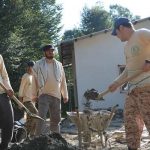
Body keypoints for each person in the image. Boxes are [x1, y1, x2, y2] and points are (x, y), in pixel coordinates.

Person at [109, 17, 150, 150]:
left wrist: (149, 61)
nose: (117, 37)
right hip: (132, 91)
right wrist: (116, 82)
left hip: (146, 88)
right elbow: (128, 69)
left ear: (121, 28)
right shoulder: (126, 47)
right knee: (131, 125)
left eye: (116, 33)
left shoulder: (142, 34)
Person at [33, 44, 68, 135]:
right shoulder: (38, 64)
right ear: (44, 52)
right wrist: (34, 94)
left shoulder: (59, 65)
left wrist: (65, 95)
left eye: (52, 50)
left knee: (56, 119)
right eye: (48, 50)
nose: (50, 52)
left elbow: (63, 80)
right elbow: (34, 80)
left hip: (56, 95)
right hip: (43, 94)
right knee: (41, 117)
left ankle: (56, 138)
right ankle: (39, 138)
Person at [18, 61, 38, 138]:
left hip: (33, 101)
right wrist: (20, 101)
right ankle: (28, 135)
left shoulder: (34, 77)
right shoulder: (25, 76)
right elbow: (21, 88)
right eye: (28, 67)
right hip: (27, 101)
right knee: (35, 114)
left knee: (30, 118)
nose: (29, 68)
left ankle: (29, 136)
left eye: (31, 67)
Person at [0, 55, 14, 150]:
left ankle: (4, 146)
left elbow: (4, 75)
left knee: (9, 121)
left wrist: (9, 88)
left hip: (2, 92)